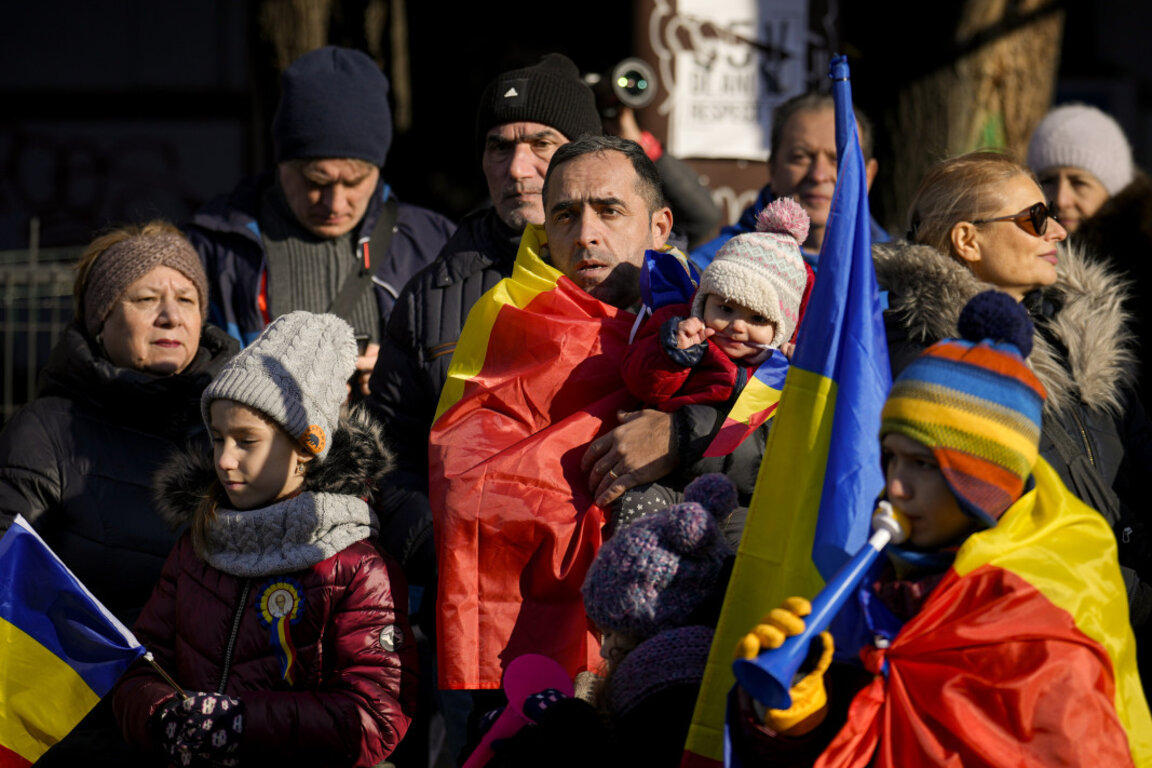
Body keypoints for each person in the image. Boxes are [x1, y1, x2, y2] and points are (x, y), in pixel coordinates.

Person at [730, 292, 1151, 766]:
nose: (895, 486)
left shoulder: (1047, 621)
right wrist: (792, 722)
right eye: (890, 457)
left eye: (924, 465)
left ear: (983, 483)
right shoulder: (875, 588)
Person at [431, 134, 693, 698]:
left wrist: (683, 434)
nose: (586, 233)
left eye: (609, 209)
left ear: (661, 226)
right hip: (522, 653)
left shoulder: (720, 319)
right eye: (566, 215)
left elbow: (765, 453)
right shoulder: (506, 319)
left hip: (676, 637)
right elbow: (463, 479)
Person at [875, 149, 1152, 677]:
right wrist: (1139, 603)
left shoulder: (1077, 337)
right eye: (1035, 218)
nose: (1058, 233)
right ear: (967, 240)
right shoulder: (925, 361)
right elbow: (1000, 521)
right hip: (1041, 646)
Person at [112, 311, 419, 768]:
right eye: (217, 439)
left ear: (306, 447)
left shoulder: (356, 567)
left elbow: (376, 714)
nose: (225, 460)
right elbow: (140, 664)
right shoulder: (198, 543)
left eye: (246, 441)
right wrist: (162, 715)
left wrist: (241, 724)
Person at [0, 221, 236, 625]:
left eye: (187, 299)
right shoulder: (42, 434)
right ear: (100, 321)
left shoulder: (237, 428)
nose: (170, 316)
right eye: (145, 299)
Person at [185, 45, 455, 395]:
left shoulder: (434, 244)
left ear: (378, 168)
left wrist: (407, 379)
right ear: (281, 162)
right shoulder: (214, 247)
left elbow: (477, 377)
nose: (334, 203)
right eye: (316, 182)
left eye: (355, 181)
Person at [615, 198, 811, 535]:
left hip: (736, 499)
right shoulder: (687, 340)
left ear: (780, 330)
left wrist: (801, 377)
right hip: (667, 479)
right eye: (726, 308)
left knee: (745, 548)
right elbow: (639, 382)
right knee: (636, 510)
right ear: (703, 302)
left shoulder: (781, 373)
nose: (737, 326)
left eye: (757, 318)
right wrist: (673, 354)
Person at [1029, 103, 1152, 407]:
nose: (1060, 199)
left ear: (1114, 189)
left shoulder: (1143, 262)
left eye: (1079, 182)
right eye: (1047, 180)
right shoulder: (1021, 264)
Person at [690, 91, 887, 271]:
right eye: (800, 157)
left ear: (868, 175)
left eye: (837, 160)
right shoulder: (710, 270)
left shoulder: (897, 281)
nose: (818, 175)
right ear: (773, 168)